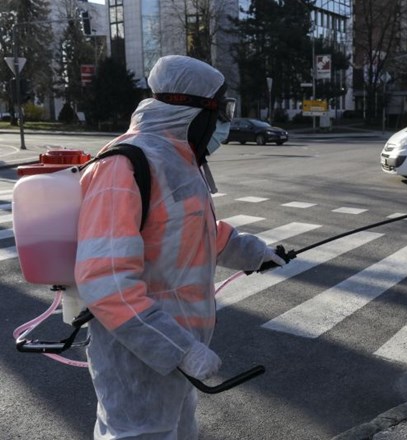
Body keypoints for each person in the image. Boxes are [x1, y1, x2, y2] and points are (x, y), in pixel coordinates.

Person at [74, 55, 286, 439]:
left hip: (176, 357)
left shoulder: (181, 162)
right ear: (191, 110)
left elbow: (194, 234)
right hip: (138, 360)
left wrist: (253, 252)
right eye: (222, 110)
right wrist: (179, 350)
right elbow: (107, 283)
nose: (224, 123)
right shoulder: (124, 166)